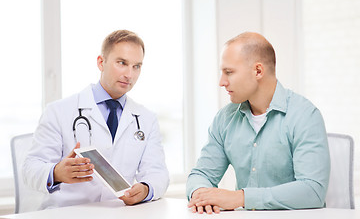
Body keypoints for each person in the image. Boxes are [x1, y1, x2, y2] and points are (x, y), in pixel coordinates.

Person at [23, 30, 169, 209]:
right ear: (101, 62)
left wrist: (146, 189)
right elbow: (30, 168)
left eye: (136, 66)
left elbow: (158, 172)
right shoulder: (58, 111)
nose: (129, 74)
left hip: (117, 213)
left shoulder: (146, 119)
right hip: (66, 213)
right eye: (122, 63)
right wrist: (56, 173)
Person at [186, 32, 330, 213]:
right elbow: (201, 174)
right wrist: (201, 194)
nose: (221, 82)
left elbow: (313, 191)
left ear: (258, 71)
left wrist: (240, 197)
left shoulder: (304, 115)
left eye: (229, 72)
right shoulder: (225, 118)